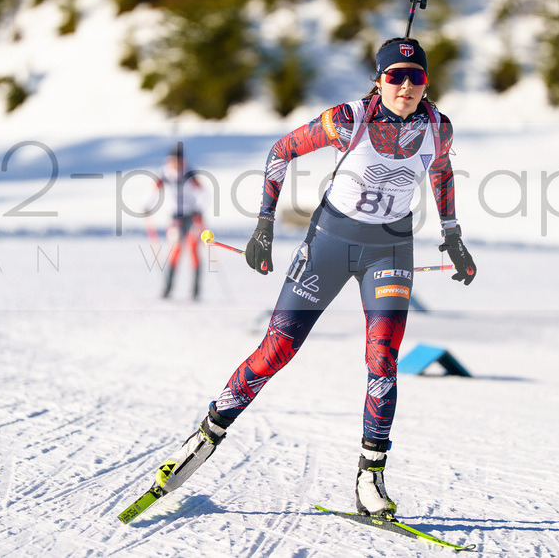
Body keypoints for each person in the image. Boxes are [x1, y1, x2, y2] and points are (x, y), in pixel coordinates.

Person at [148, 38, 476, 518]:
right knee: (277, 349)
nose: (406, 86)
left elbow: (442, 172)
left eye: (416, 77)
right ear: (378, 80)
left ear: (427, 83)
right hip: (329, 244)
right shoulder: (348, 120)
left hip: (389, 250)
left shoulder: (438, 128)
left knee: (383, 357)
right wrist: (264, 227)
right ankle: (203, 439)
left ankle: (370, 478)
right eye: (395, 76)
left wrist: (453, 235)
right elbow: (281, 151)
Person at [146, 142, 206, 300]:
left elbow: (203, 193)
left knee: (193, 248)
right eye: (173, 160)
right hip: (175, 217)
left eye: (178, 161)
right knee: (175, 249)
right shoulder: (164, 173)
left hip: (192, 215)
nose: (175, 164)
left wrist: (199, 208)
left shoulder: (189, 173)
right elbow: (153, 191)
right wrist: (148, 206)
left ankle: (196, 290)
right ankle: (167, 288)